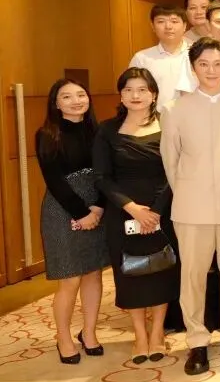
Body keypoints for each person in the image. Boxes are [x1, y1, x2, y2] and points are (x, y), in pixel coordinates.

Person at [161, 37, 220, 376]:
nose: (211, 70)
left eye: (218, 64)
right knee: (192, 277)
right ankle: (197, 340)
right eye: (204, 64)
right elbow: (170, 161)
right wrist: (189, 193)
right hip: (191, 208)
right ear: (193, 67)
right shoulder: (174, 108)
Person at [95, 68, 179, 365]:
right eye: (128, 89)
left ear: (153, 94)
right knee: (129, 273)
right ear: (121, 95)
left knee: (161, 270)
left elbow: (174, 171)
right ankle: (140, 336)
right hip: (123, 212)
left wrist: (155, 211)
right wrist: (131, 208)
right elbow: (102, 177)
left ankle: (157, 333)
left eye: (142, 89)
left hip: (162, 210)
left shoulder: (168, 125)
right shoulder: (106, 130)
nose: (135, 95)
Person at [37, 79, 108, 364]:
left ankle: (88, 332)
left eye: (81, 95)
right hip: (63, 209)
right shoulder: (47, 134)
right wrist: (82, 213)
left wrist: (99, 208)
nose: (76, 101)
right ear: (56, 103)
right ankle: (63, 337)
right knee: (70, 278)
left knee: (93, 273)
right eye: (66, 96)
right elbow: (54, 181)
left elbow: (107, 174)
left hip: (97, 207)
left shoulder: (99, 132)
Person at [129, 4, 193, 110]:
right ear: (153, 26)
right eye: (161, 21)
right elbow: (132, 92)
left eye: (174, 21)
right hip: (155, 117)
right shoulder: (142, 59)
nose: (168, 26)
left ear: (185, 26)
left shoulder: (199, 55)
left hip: (193, 116)